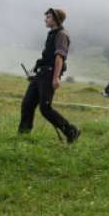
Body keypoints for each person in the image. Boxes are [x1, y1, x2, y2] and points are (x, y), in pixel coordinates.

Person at [18, 8, 81, 143]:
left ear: (56, 19)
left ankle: (71, 131)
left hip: (49, 75)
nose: (45, 19)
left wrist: (55, 78)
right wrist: (34, 74)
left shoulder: (61, 34)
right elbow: (46, 58)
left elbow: (59, 57)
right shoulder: (52, 34)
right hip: (41, 74)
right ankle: (22, 136)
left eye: (48, 17)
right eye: (46, 17)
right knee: (27, 104)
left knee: (45, 108)